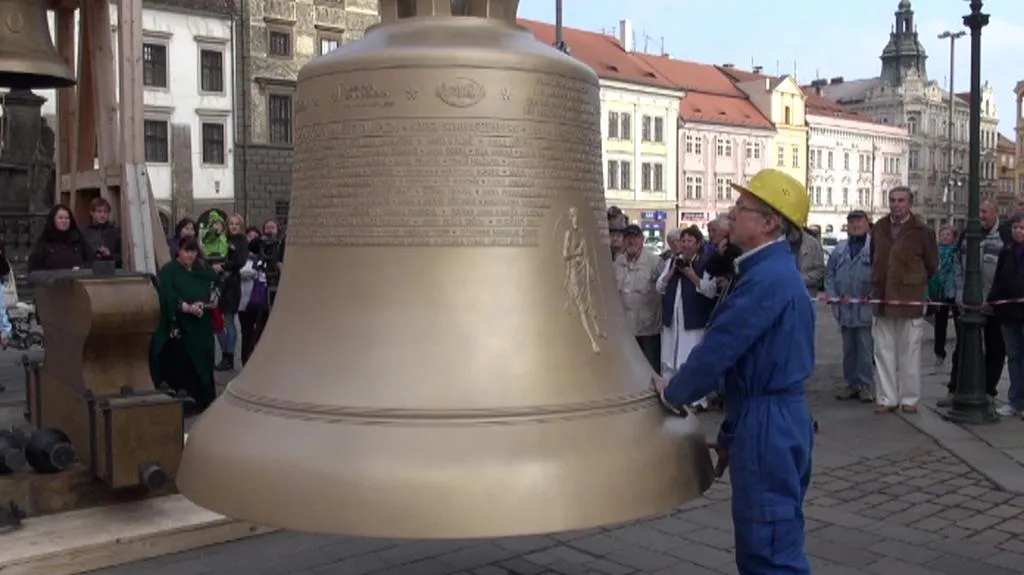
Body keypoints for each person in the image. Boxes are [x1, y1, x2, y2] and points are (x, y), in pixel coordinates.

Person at [655, 168, 815, 574]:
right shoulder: (767, 271)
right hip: (767, 419)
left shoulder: (767, 279)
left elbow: (721, 349)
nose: (731, 213)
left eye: (742, 208)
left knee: (769, 552)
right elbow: (746, 362)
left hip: (768, 425)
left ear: (769, 223)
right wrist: (731, 434)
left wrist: (673, 391)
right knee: (767, 538)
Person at [870, 187, 938, 414]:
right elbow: (874, 257)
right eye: (892, 200)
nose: (896, 204)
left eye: (901, 200)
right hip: (882, 296)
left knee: (910, 351)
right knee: (883, 350)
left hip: (910, 298)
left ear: (910, 203)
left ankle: (909, 399)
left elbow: (932, 265)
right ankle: (887, 398)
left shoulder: (922, 230)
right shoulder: (879, 227)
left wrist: (915, 282)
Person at [149, 236, 218, 416]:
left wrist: (206, 304)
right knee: (184, 364)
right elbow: (166, 294)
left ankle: (204, 401)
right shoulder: (169, 270)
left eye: (193, 251)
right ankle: (186, 402)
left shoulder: (202, 269)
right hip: (179, 328)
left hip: (201, 326)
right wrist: (185, 307)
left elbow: (215, 287)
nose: (190, 255)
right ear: (178, 251)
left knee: (204, 361)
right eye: (187, 250)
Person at [825, 210, 874, 403]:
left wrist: (871, 296)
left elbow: (881, 276)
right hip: (844, 308)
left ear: (867, 224)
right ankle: (852, 385)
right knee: (849, 350)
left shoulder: (874, 247)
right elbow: (829, 275)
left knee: (865, 349)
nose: (855, 225)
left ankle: (865, 386)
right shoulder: (840, 248)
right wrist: (833, 297)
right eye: (852, 222)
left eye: (859, 221)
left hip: (865, 308)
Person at [27, 204, 94, 272]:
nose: (64, 221)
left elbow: (92, 260)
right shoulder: (45, 241)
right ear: (53, 219)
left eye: (67, 218)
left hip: (76, 277)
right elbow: (33, 268)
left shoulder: (78, 237)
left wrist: (82, 268)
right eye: (60, 218)